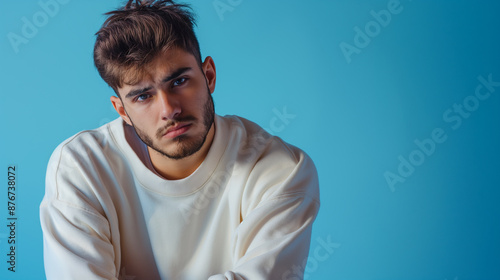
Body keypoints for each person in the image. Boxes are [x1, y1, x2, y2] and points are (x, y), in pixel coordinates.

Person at [39, 0, 320, 279]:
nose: (169, 110)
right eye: (143, 96)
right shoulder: (81, 168)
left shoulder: (280, 170)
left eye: (179, 82)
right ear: (122, 110)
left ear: (208, 75)